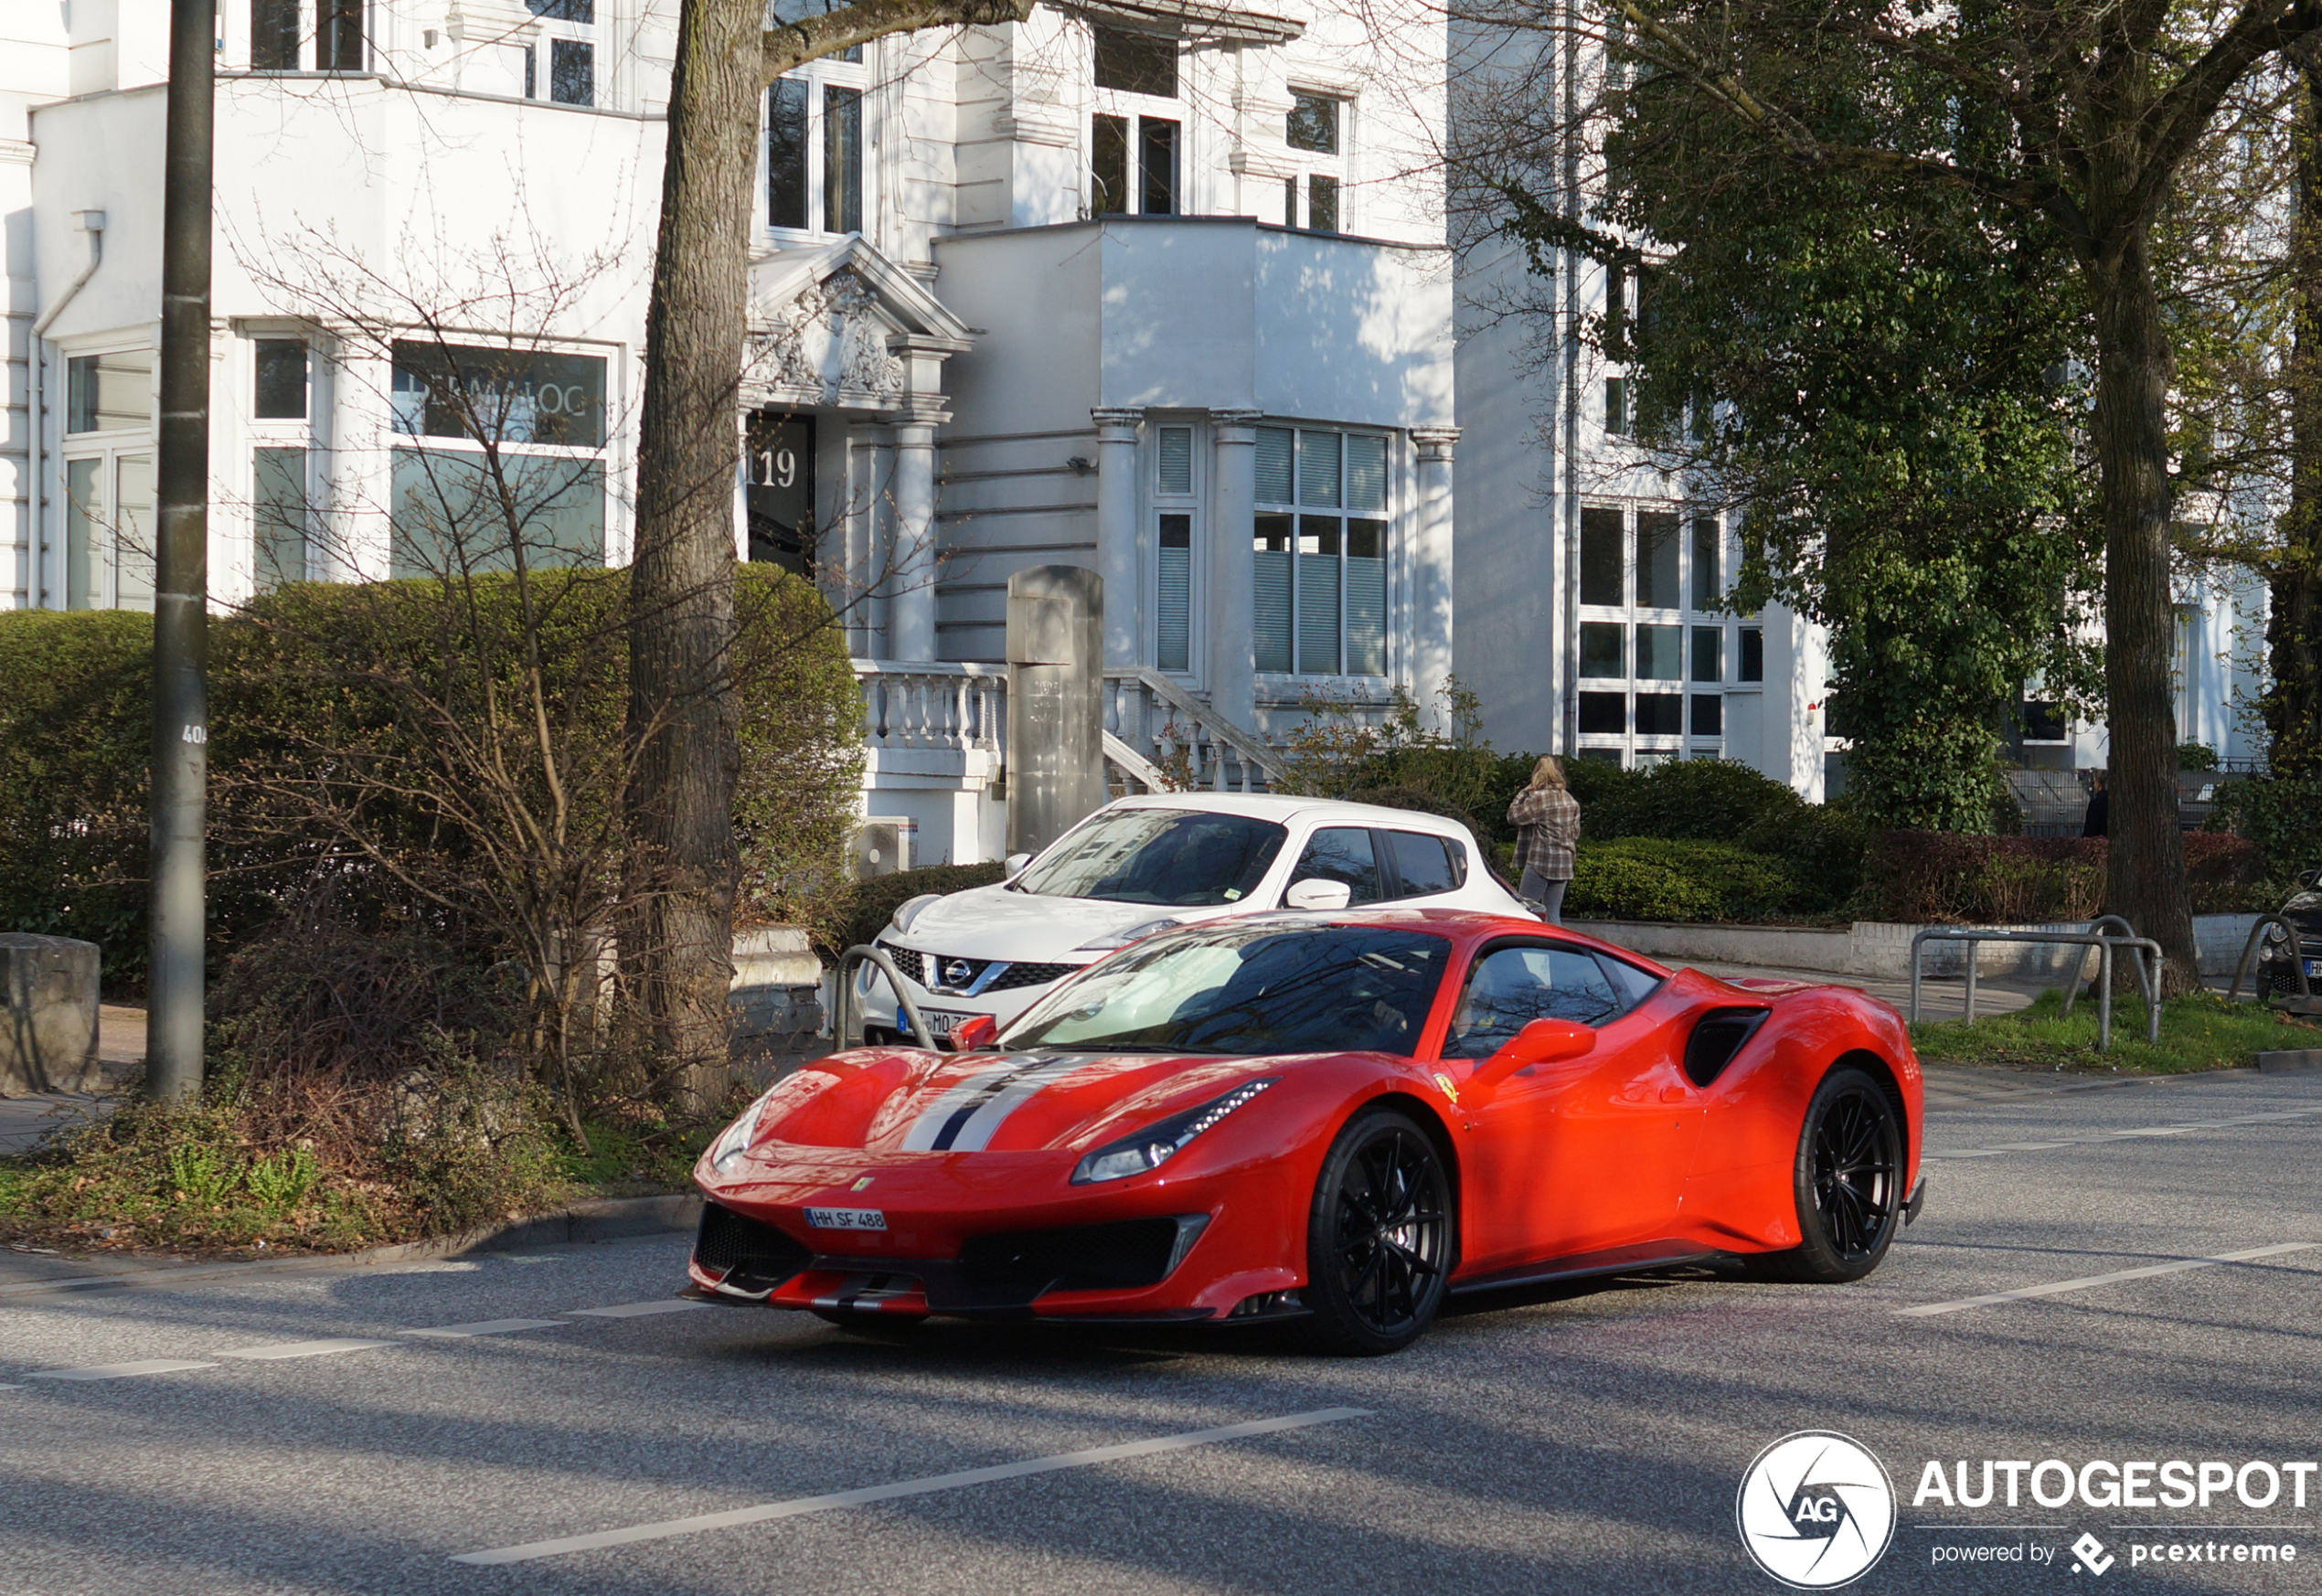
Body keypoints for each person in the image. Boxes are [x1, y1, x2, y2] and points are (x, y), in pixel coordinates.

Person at [1507, 755, 1582, 924]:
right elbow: (1575, 833)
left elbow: (1514, 817)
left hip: (1541, 860)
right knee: (1553, 913)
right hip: (1564, 862)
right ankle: (1554, 948)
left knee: (1526, 910)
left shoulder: (1539, 798)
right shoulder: (1570, 800)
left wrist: (1523, 793)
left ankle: (1525, 946)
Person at [2082, 771, 2110, 838]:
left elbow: (2090, 828)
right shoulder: (2114, 801)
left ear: (2098, 785)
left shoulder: (2095, 803)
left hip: (2099, 840)